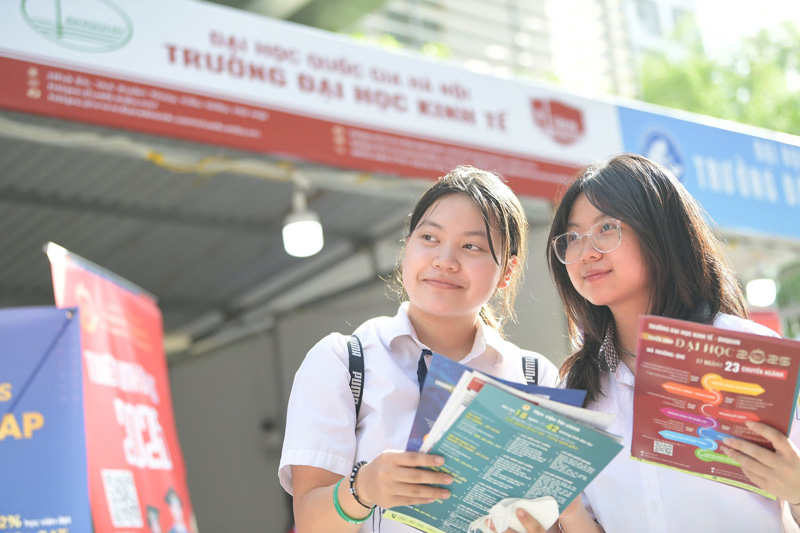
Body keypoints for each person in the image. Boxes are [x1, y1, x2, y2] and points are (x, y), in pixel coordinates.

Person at [278, 165, 560, 533]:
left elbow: (556, 514)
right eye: (429, 238)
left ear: (508, 271)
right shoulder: (344, 363)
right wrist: (363, 488)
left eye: (471, 246)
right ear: (406, 248)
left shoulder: (534, 377)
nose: (445, 260)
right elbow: (310, 522)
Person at [540, 153, 800, 532]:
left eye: (606, 228)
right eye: (573, 237)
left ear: (660, 232)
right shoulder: (576, 387)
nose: (586, 252)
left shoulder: (749, 353)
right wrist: (568, 513)